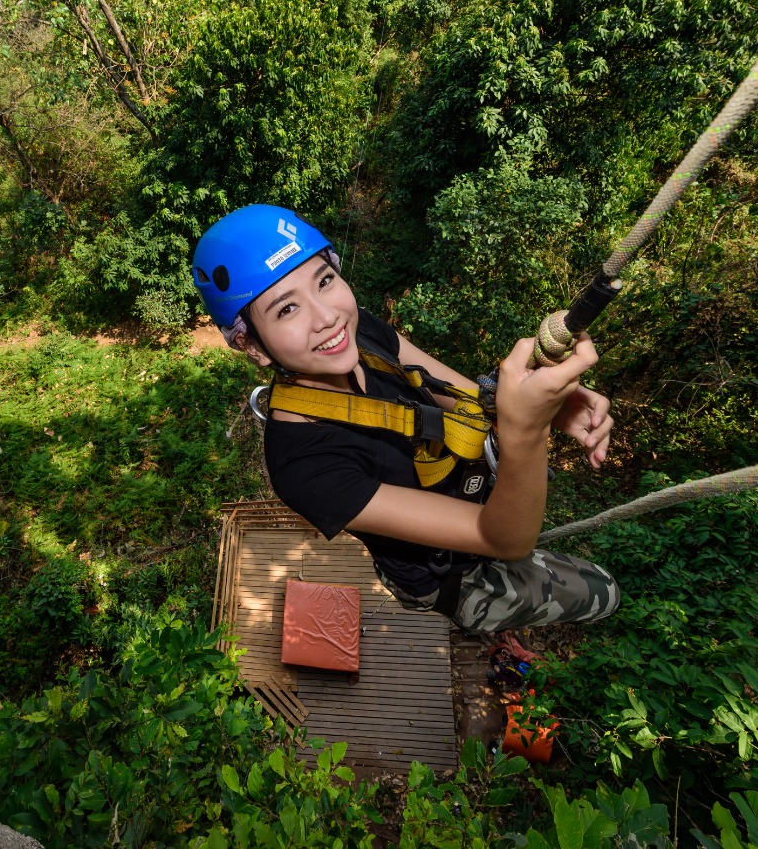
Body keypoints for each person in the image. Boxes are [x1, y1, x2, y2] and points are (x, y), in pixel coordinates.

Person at [192, 204, 621, 635]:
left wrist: (535, 401)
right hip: (455, 576)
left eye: (324, 281)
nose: (327, 317)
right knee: (606, 593)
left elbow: (469, 401)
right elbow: (506, 541)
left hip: (486, 502)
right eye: (287, 309)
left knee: (599, 586)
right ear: (253, 346)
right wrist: (528, 429)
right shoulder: (303, 465)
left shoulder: (363, 335)